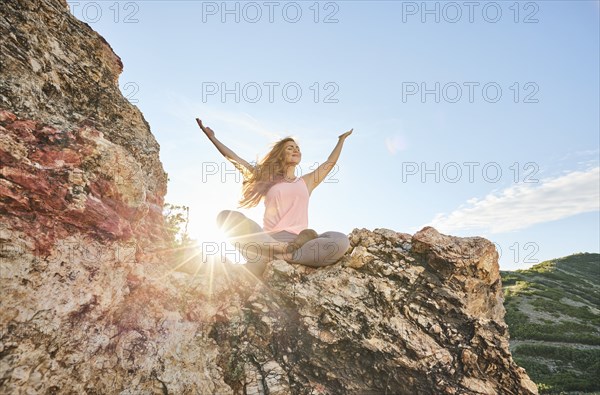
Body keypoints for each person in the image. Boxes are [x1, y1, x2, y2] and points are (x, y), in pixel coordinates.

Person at [196, 118, 352, 274]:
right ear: (281, 155)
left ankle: (286, 256)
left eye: (297, 148)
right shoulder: (266, 178)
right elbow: (237, 160)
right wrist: (212, 138)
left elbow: (329, 163)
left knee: (340, 240)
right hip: (265, 242)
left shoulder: (307, 182)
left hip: (300, 243)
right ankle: (279, 251)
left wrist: (341, 140)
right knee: (226, 218)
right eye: (290, 148)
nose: (296, 150)